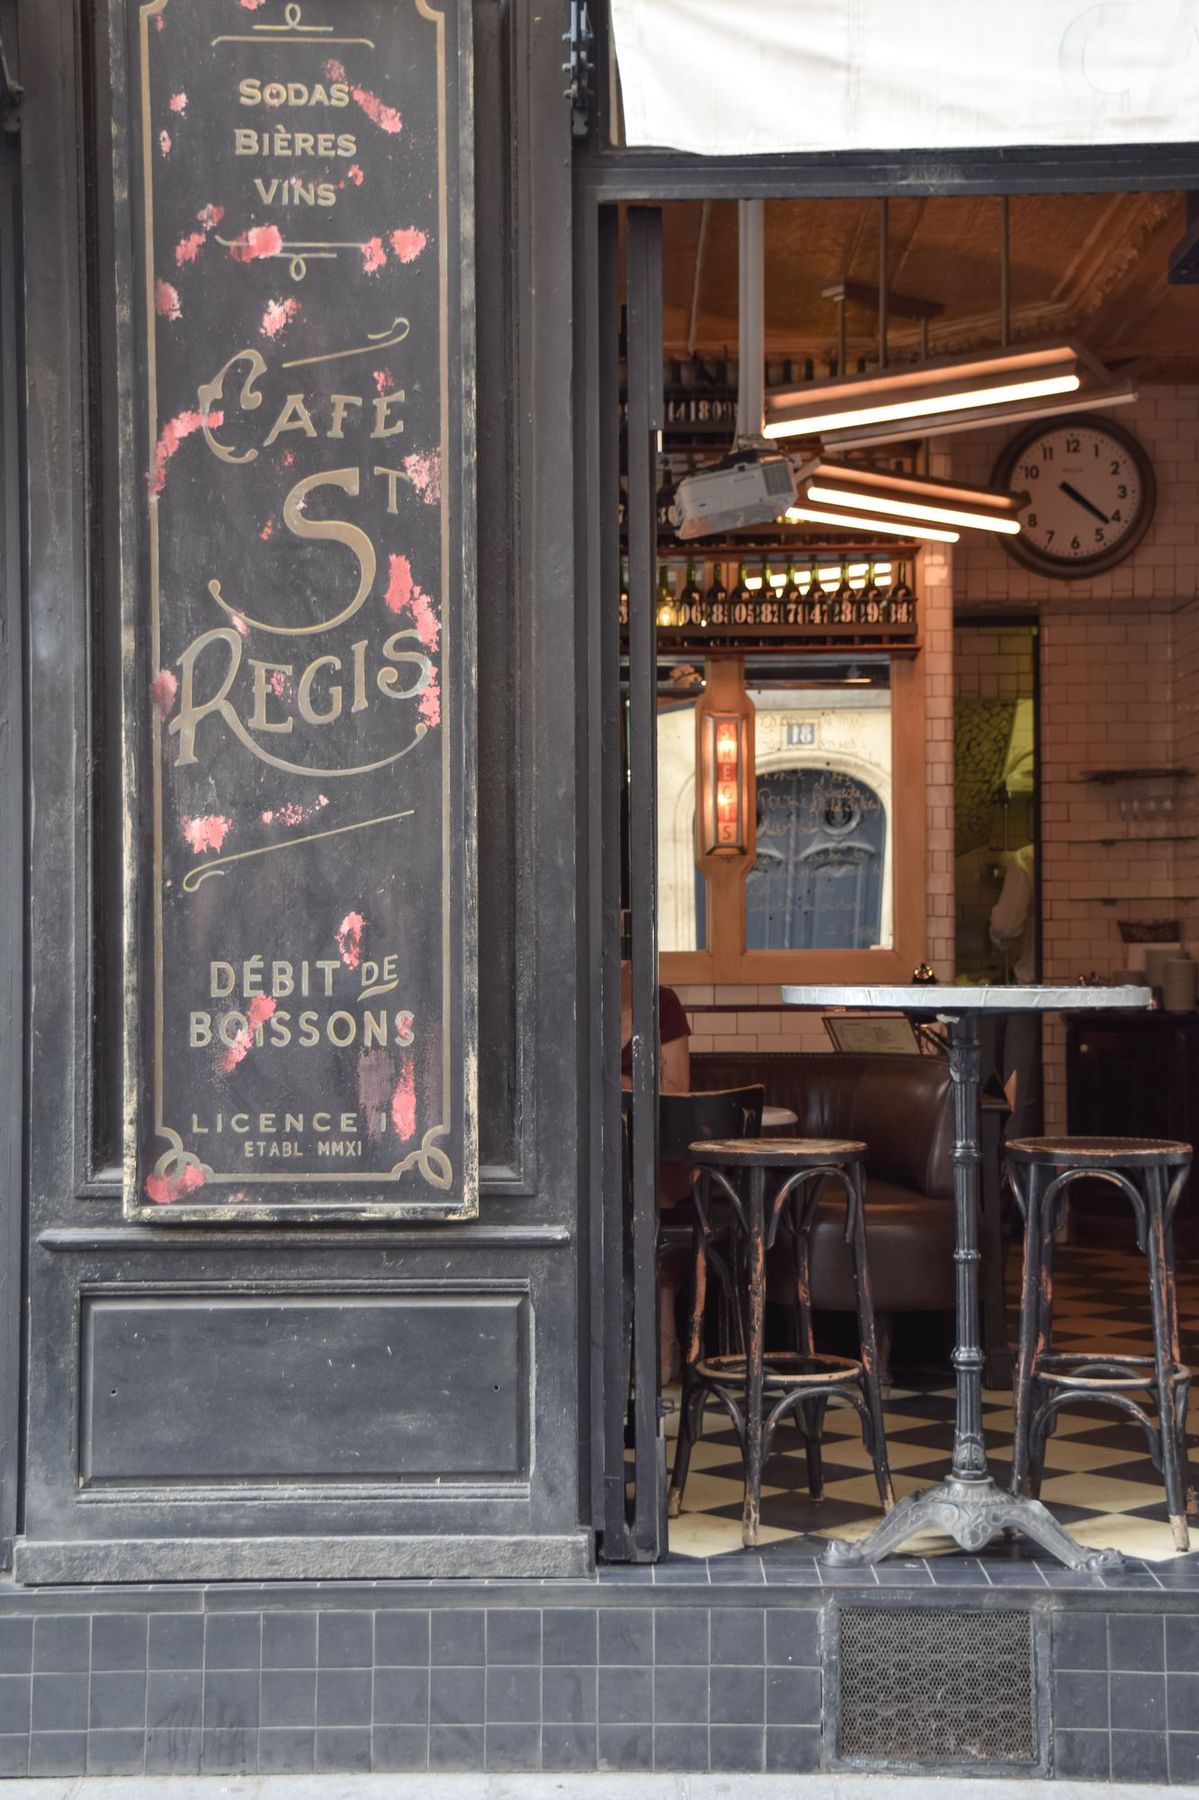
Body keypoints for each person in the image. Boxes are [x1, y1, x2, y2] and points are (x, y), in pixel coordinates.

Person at [619, 959, 691, 1094]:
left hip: (648, 1115)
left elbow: (677, 1088)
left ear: (631, 969)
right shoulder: (579, 1008)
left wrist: (618, 1082)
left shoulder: (663, 1005)